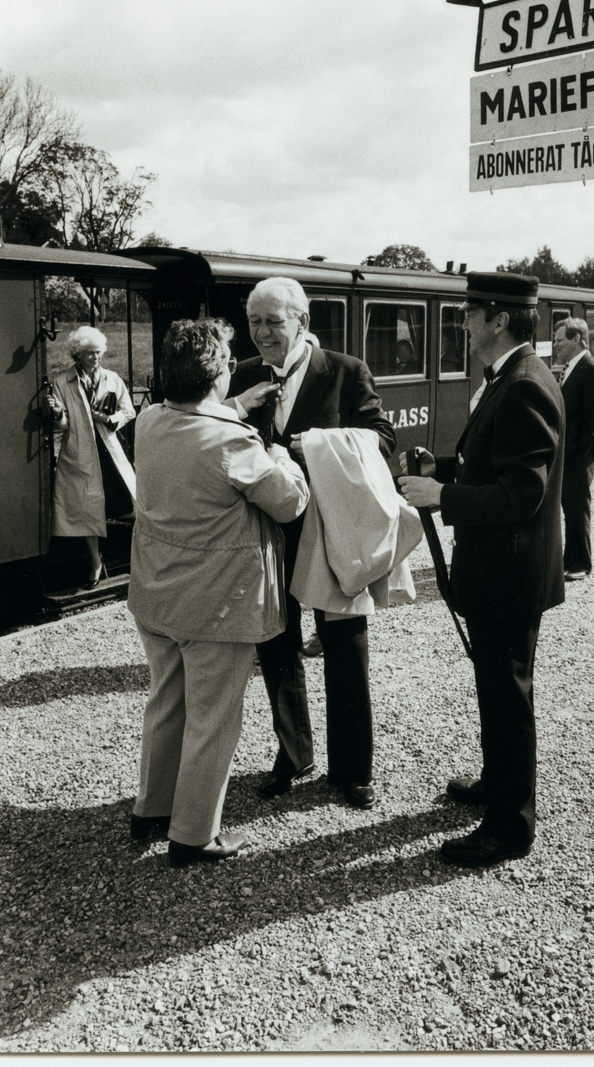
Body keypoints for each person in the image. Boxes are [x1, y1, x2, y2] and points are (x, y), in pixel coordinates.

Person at [127, 318, 308, 867]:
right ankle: (193, 834)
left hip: (156, 596)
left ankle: (151, 809)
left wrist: (234, 411)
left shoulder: (150, 421)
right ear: (219, 374)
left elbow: (195, 428)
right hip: (216, 603)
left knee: (167, 701)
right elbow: (289, 503)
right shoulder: (234, 441)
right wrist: (280, 456)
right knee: (214, 716)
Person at [399, 272, 565, 868]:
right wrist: (443, 472)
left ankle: (510, 828)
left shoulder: (523, 385)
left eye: (471, 314)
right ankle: (498, 786)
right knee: (496, 690)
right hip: (501, 571)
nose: (464, 323)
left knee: (507, 695)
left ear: (498, 319)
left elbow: (523, 495)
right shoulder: (513, 378)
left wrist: (441, 494)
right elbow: (493, 468)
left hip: (509, 575)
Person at [227, 278, 395, 810]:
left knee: (345, 648)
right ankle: (292, 755)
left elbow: (384, 441)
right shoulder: (245, 376)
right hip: (266, 535)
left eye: (273, 321)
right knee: (275, 645)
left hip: (329, 535)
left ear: (301, 321)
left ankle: (353, 768)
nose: (261, 333)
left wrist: (318, 446)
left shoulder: (346, 371)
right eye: (254, 321)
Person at [46, 325, 136, 588]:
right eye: (89, 353)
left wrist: (108, 418)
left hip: (109, 452)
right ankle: (96, 563)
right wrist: (56, 412)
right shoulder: (62, 382)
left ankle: (140, 555)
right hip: (79, 453)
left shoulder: (112, 378)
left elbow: (128, 411)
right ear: (78, 354)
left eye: (98, 352)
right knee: (86, 510)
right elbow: (62, 425)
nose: (96, 357)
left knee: (131, 502)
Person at [551, 318, 594, 582]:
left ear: (576, 339)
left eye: (560, 340)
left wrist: (582, 459)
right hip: (568, 454)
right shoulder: (570, 368)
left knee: (577, 509)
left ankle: (581, 564)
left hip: (578, 456)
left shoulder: (591, 369)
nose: (555, 345)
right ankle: (569, 560)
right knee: (569, 508)